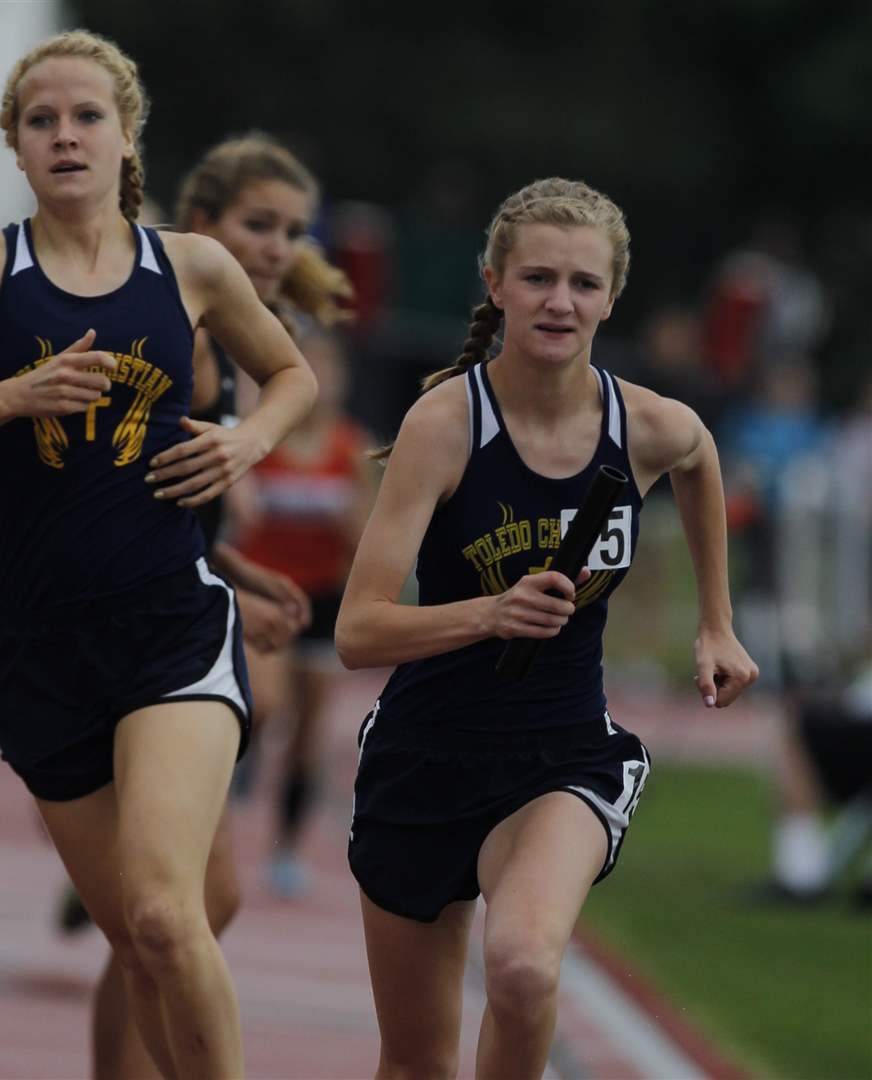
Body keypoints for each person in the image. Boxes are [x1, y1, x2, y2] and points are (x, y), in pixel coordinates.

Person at [0, 30, 317, 1080]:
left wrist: (248, 439)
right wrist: (16, 395)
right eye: (41, 121)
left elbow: (288, 374)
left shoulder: (190, 267)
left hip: (170, 632)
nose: (65, 136)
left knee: (169, 913)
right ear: (16, 148)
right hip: (38, 652)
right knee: (134, 941)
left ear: (126, 137)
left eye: (86, 117)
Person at [334, 177, 759, 1079]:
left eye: (582, 283)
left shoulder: (641, 423)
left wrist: (716, 623)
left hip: (560, 755)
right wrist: (490, 612)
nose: (559, 301)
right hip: (424, 759)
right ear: (495, 284)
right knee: (415, 1063)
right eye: (536, 278)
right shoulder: (445, 427)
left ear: (612, 297)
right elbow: (358, 631)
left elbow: (698, 456)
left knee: (524, 968)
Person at [80, 130, 354, 1080]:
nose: (279, 246)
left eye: (292, 230)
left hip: (177, 614)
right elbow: (121, 492)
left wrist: (237, 569)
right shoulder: (182, 334)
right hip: (112, 636)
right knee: (170, 913)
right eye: (259, 225)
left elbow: (170, 502)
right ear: (202, 226)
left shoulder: (236, 335)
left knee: (183, 912)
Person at [233, 326, 374, 898]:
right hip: (263, 593)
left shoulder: (351, 449)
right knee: (266, 703)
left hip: (321, 600)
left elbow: (370, 540)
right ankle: (236, 757)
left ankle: (286, 850)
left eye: (329, 371)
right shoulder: (264, 440)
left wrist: (349, 528)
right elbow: (234, 519)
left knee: (310, 735)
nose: (320, 384)